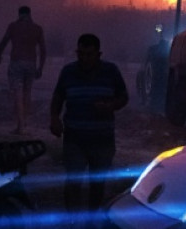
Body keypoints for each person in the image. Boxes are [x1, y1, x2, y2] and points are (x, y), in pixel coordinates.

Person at [50, 33, 128, 226]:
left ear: (98, 54)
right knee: (73, 181)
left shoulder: (111, 71)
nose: (84, 59)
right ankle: (73, 221)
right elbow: (58, 96)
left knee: (97, 183)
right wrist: (54, 118)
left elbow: (123, 97)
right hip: (75, 137)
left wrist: (111, 106)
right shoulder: (68, 72)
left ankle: (91, 220)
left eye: (89, 54)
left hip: (102, 138)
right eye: (81, 54)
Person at [0, 5, 47, 134]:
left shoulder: (13, 26)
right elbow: (43, 50)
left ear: (19, 14)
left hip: (17, 62)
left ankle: (21, 125)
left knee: (18, 94)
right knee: (27, 93)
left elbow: (3, 42)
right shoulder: (37, 29)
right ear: (30, 15)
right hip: (31, 63)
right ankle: (24, 122)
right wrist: (40, 67)